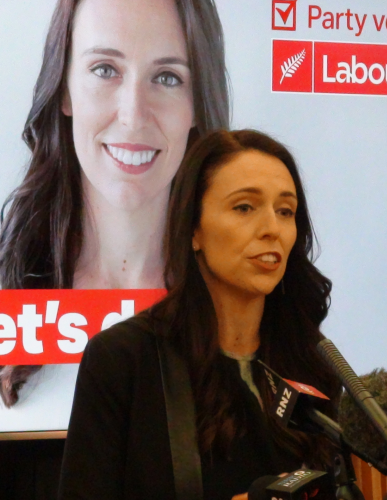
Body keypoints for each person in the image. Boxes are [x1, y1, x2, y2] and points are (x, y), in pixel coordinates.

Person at [0, 0, 229, 434]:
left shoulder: (238, 303)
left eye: (167, 77)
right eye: (105, 69)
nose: (132, 115)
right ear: (64, 89)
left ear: (197, 103)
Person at [58, 129, 342, 499]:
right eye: (244, 208)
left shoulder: (313, 364)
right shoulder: (124, 359)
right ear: (194, 228)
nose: (272, 229)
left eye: (285, 211)